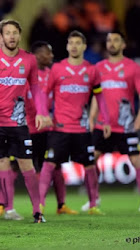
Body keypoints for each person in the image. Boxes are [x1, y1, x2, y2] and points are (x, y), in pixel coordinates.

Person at [0, 19, 52, 225]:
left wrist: (41, 111)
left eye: (15, 32)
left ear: (19, 35)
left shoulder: (29, 60)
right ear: (2, 36)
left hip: (19, 124)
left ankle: (37, 212)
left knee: (26, 165)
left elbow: (36, 89)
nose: (11, 36)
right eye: (7, 33)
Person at [39, 30, 111, 216]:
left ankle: (93, 204)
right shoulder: (57, 69)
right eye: (71, 43)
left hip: (82, 129)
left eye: (78, 43)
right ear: (67, 46)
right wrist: (43, 113)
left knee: (89, 165)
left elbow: (100, 96)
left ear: (84, 46)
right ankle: (39, 205)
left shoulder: (91, 70)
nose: (74, 46)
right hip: (59, 127)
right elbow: (43, 94)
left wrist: (106, 119)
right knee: (50, 164)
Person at [83, 31, 140, 211]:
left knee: (137, 161)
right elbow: (96, 96)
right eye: (109, 40)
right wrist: (91, 118)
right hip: (102, 125)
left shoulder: (133, 67)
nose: (112, 43)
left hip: (125, 125)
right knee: (91, 160)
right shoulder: (98, 68)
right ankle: (94, 200)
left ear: (123, 44)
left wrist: (137, 123)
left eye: (116, 40)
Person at [25, 41, 78, 215]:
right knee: (19, 167)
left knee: (56, 166)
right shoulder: (26, 75)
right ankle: (8, 206)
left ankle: (61, 205)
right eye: (48, 53)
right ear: (37, 55)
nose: (52, 56)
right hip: (29, 128)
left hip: (50, 128)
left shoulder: (53, 73)